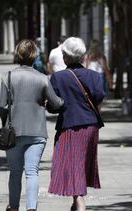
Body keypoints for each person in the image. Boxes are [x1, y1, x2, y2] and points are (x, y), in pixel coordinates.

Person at [0, 39, 64, 211]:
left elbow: (2, 105)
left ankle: (13, 207)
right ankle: (31, 208)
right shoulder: (42, 79)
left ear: (17, 54)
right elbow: (56, 103)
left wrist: (5, 122)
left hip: (14, 132)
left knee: (15, 172)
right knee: (32, 172)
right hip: (37, 132)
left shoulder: (8, 77)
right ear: (34, 56)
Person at [48, 37, 105, 211]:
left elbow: (52, 106)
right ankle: (76, 202)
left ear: (65, 57)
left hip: (69, 125)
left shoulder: (58, 78)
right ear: (82, 56)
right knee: (82, 162)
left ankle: (80, 202)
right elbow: (99, 98)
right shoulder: (94, 76)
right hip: (91, 125)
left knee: (72, 164)